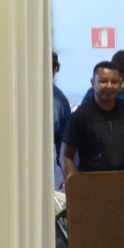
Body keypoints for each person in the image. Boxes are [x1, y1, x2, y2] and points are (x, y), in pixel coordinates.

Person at [51, 51, 70, 186]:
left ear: (56, 69)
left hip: (47, 169)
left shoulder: (60, 101)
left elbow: (64, 145)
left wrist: (67, 175)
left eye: (51, 67)